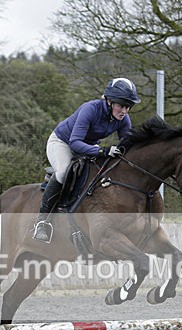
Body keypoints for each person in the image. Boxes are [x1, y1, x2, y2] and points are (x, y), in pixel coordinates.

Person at [32, 77, 141, 242]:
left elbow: (127, 145)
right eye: (121, 105)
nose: (124, 111)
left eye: (128, 106)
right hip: (62, 143)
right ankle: (42, 222)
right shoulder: (90, 109)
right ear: (109, 101)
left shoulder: (123, 119)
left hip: (87, 147)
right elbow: (75, 143)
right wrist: (103, 150)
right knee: (63, 172)